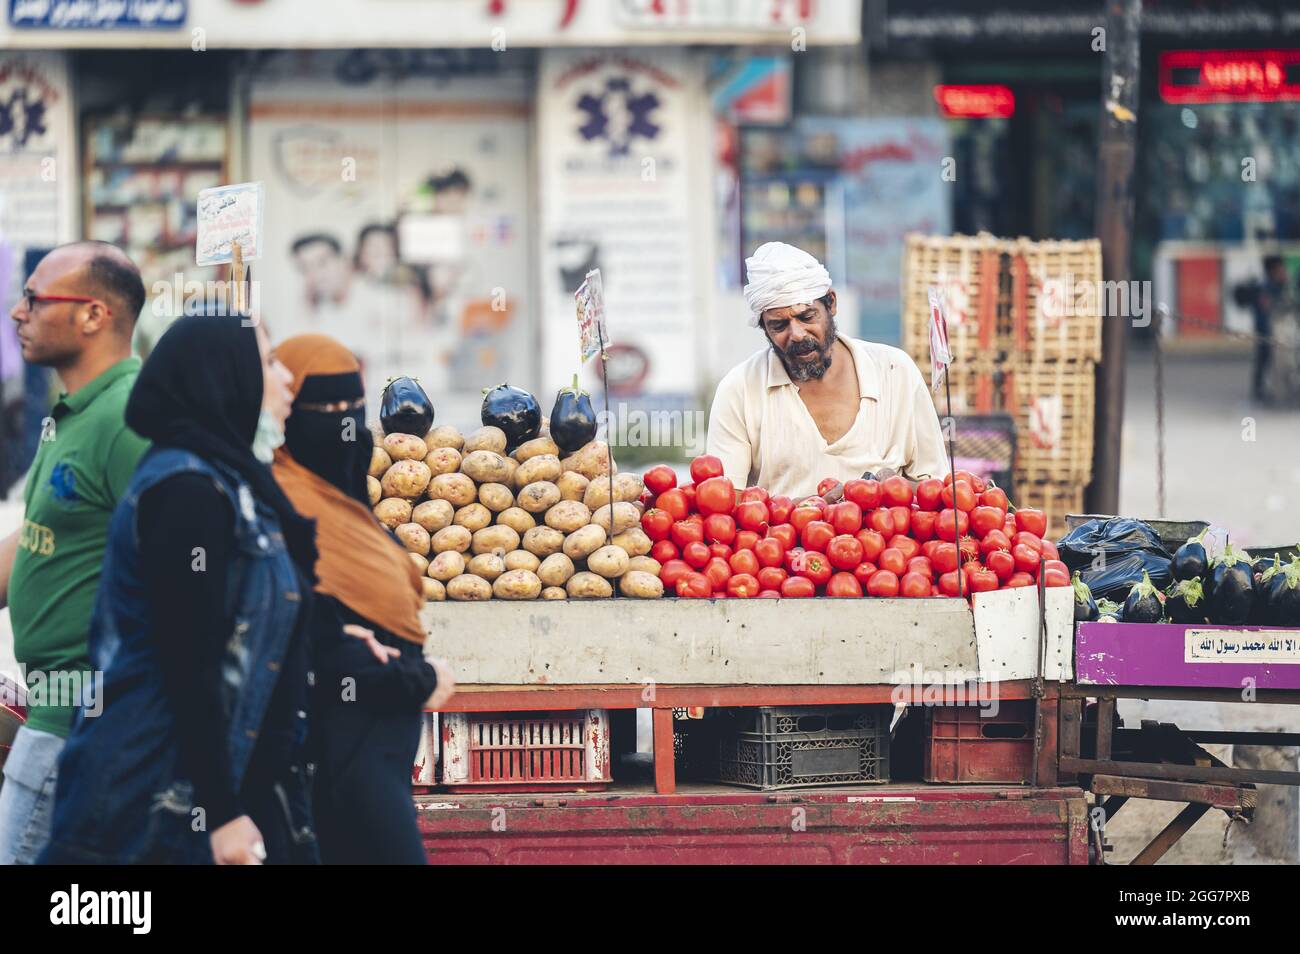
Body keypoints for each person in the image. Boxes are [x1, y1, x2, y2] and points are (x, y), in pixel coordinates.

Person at [39, 314, 321, 865]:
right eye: (267, 362)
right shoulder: (186, 490)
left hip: (222, 795)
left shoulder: (238, 485)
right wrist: (219, 813)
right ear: (225, 377)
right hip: (154, 802)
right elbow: (190, 662)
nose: (287, 379)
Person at [271, 334, 454, 864]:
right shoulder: (279, 503)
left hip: (385, 745)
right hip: (334, 746)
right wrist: (417, 678)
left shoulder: (349, 503)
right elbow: (306, 632)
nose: (341, 423)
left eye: (350, 405)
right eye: (322, 408)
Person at [0, 242, 149, 864]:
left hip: (82, 726)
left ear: (93, 315)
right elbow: (38, 538)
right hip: (50, 715)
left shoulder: (130, 418)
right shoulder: (70, 413)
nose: (16, 313)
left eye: (34, 299)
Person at [706, 242, 948, 498]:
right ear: (764, 329)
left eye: (807, 317)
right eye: (779, 326)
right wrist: (804, 511)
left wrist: (887, 492)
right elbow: (724, 503)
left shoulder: (895, 372)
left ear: (831, 303)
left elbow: (937, 490)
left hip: (885, 536)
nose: (797, 334)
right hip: (779, 538)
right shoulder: (740, 389)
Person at [1251, 254, 1290, 403]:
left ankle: (1266, 388)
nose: (1284, 271)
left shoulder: (1279, 285)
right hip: (1267, 331)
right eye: (1281, 268)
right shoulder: (1266, 287)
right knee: (1265, 358)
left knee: (1268, 359)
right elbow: (1267, 309)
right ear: (1273, 270)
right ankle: (1260, 389)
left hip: (1275, 330)